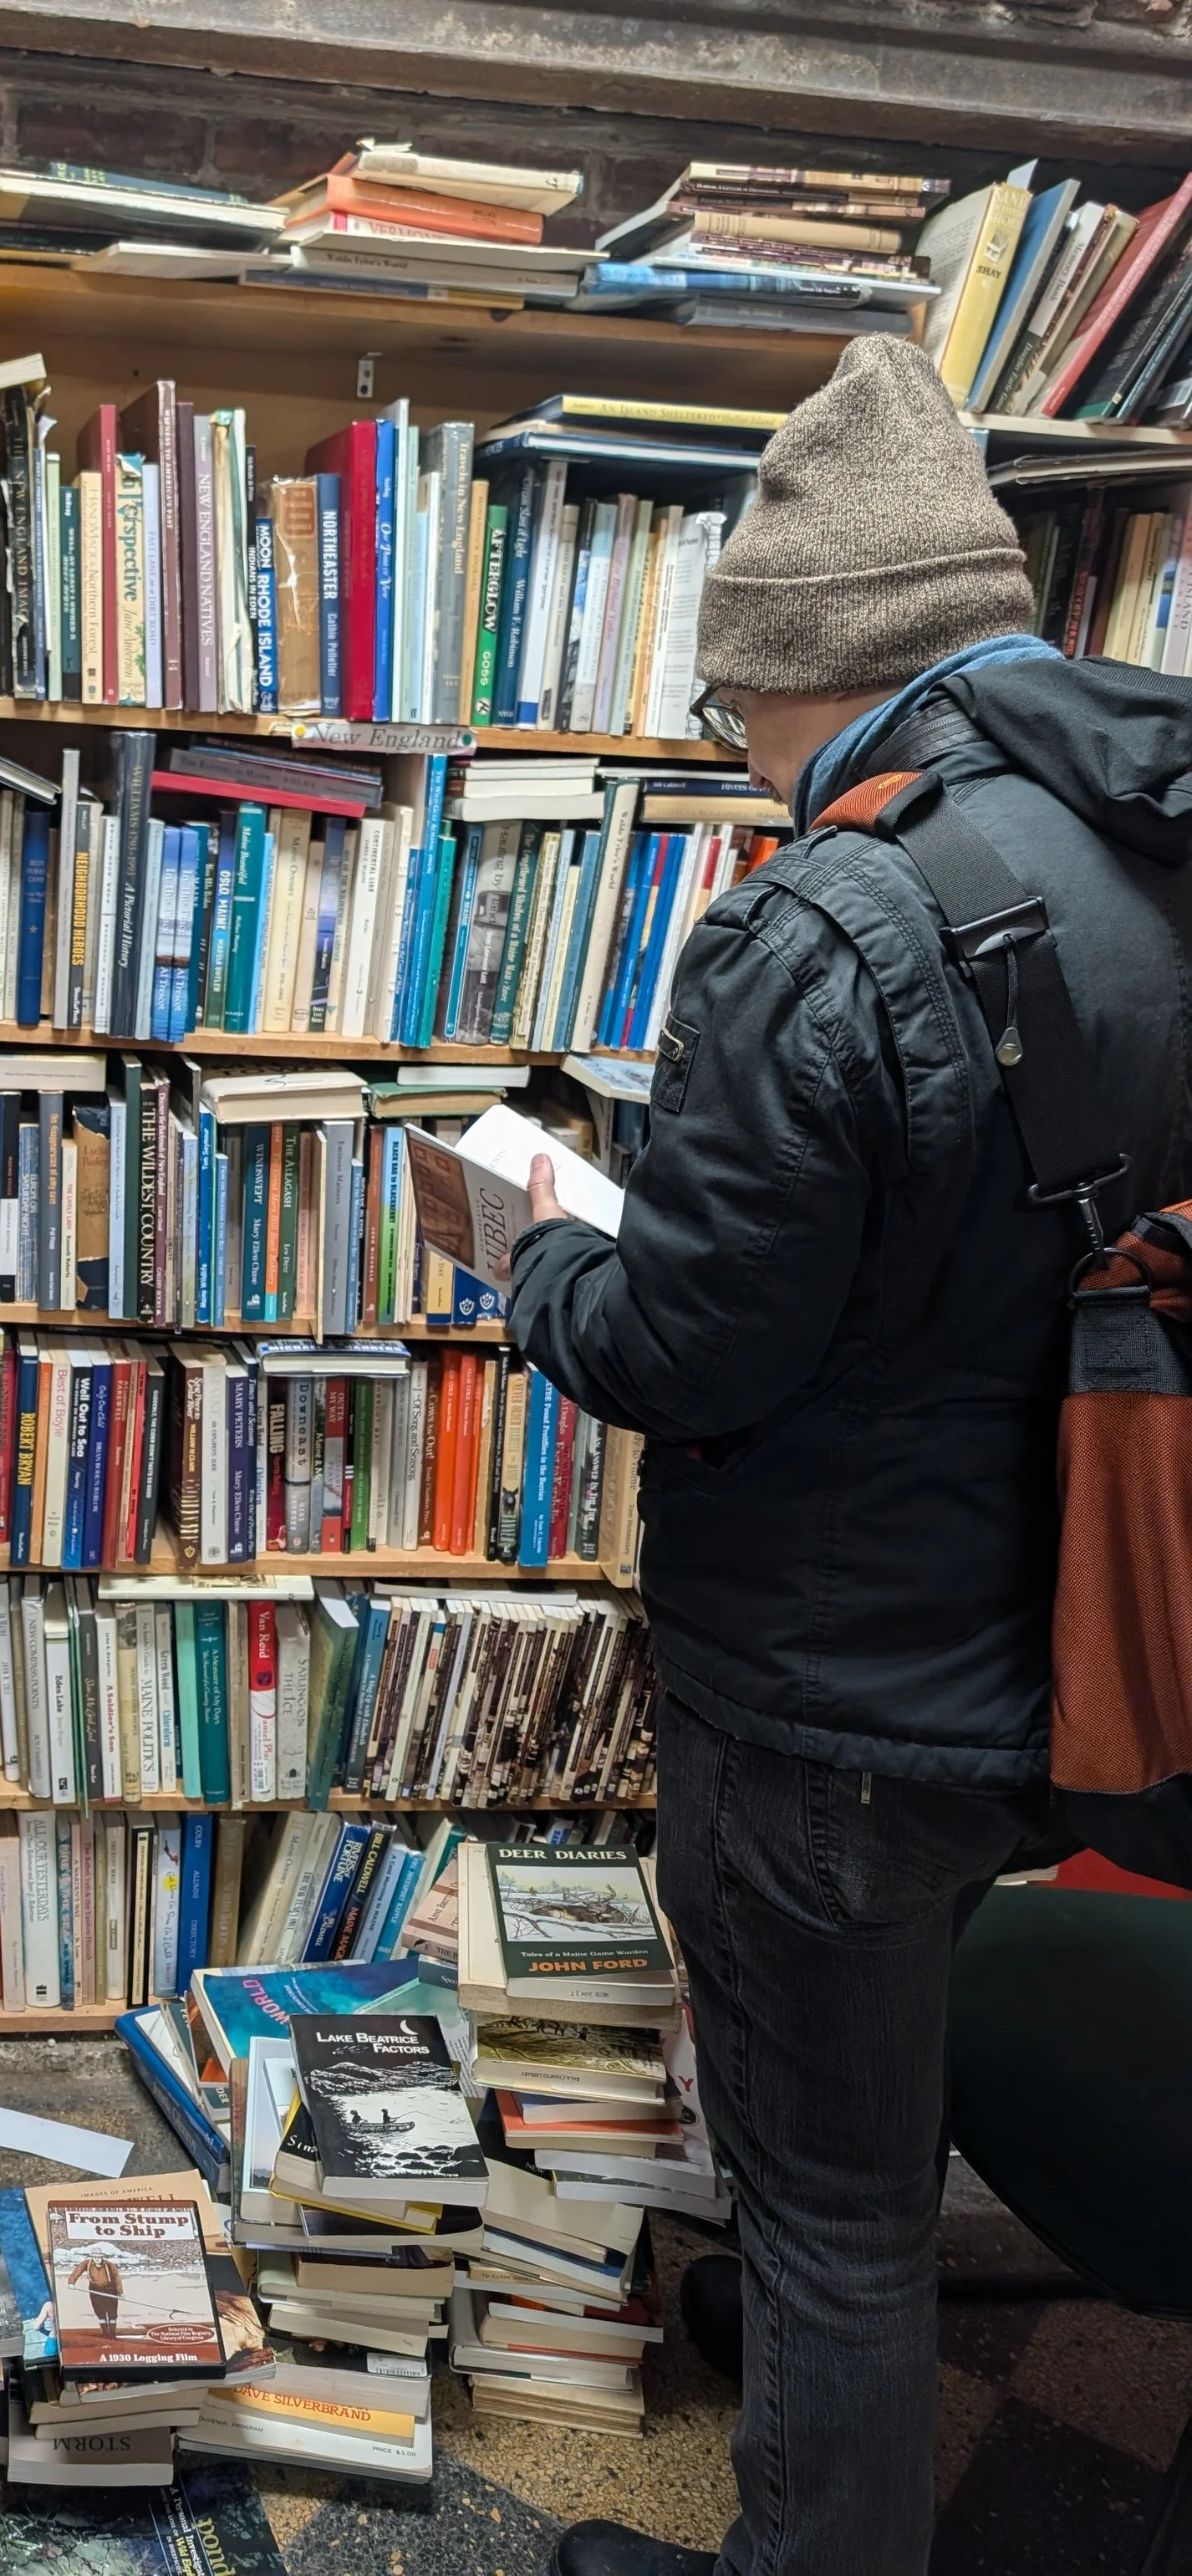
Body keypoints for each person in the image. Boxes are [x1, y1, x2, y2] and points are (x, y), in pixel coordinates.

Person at [506, 336, 1192, 2576]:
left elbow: (682, 1349)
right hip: (1094, 1652)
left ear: (806, 669)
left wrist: (529, 1252)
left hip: (834, 1703)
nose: (734, 751)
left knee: (825, 2218)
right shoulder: (1152, 844)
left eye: (735, 708)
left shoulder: (820, 926)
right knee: (858, 2170)